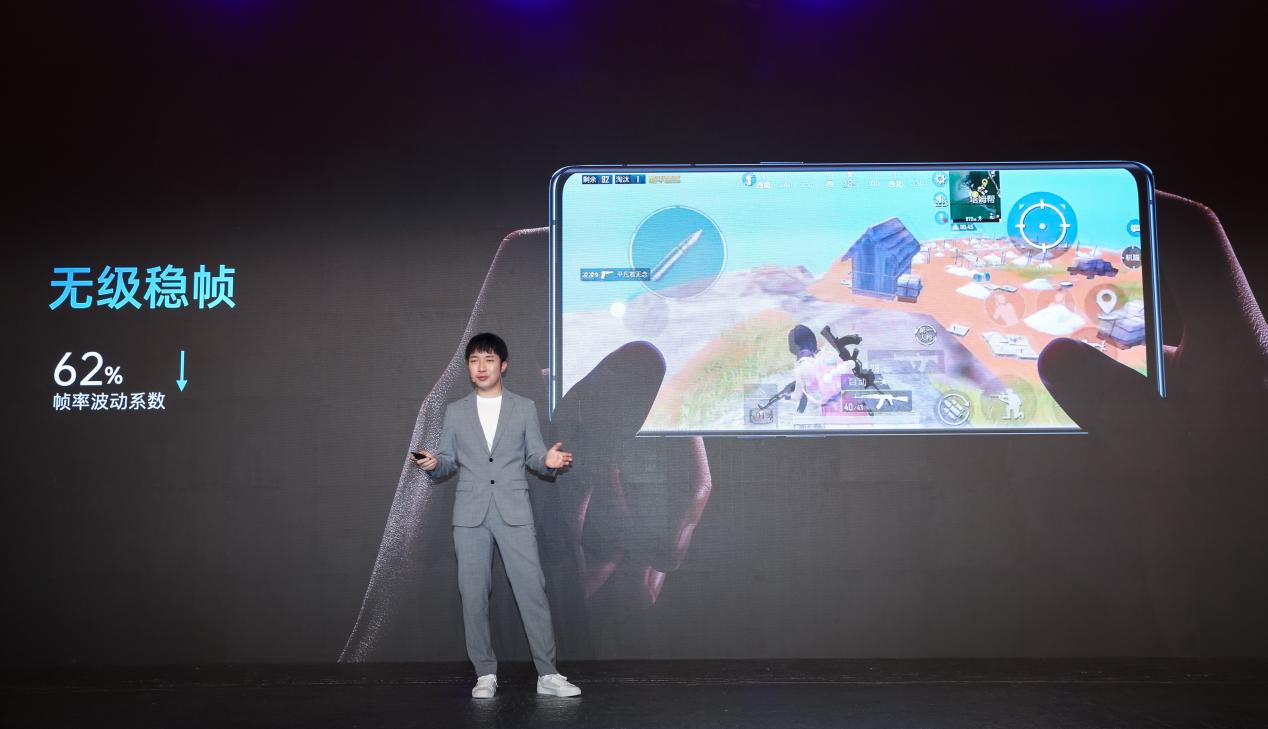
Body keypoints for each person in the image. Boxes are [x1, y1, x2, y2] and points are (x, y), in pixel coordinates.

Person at [412, 332, 581, 699]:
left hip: (514, 510)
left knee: (532, 590)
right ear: (468, 368)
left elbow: (535, 456)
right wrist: (434, 463)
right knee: (473, 594)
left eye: (488, 359)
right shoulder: (456, 411)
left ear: (503, 366)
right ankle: (485, 673)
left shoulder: (524, 407)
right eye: (474, 360)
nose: (481, 367)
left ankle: (548, 674)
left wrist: (549, 461)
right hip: (470, 515)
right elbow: (448, 461)